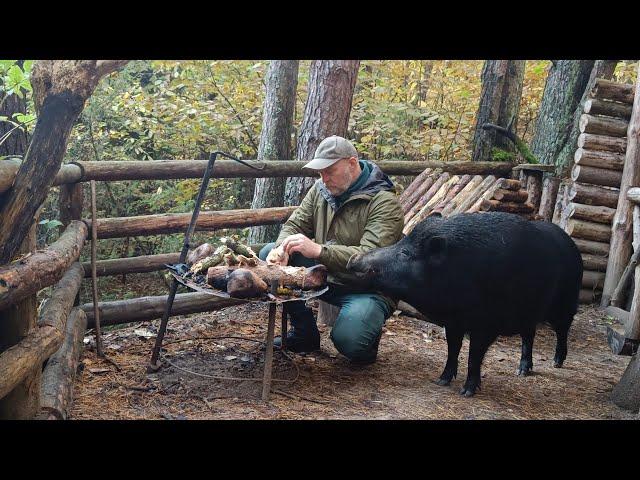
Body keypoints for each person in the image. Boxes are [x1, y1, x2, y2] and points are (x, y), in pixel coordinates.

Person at [259, 135, 404, 364]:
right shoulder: (321, 189)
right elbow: (294, 225)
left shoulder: (384, 202)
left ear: (352, 163)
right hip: (327, 275)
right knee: (268, 253)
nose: (324, 178)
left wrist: (318, 251)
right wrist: (282, 249)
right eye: (320, 172)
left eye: (330, 171)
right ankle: (304, 333)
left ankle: (365, 339)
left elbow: (370, 257)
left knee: (349, 342)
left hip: (368, 288)